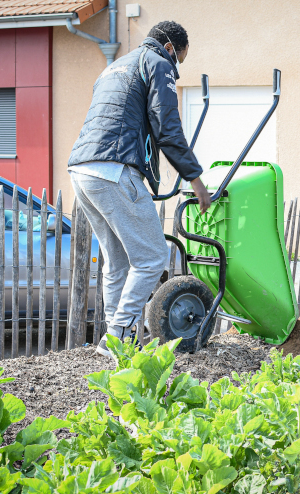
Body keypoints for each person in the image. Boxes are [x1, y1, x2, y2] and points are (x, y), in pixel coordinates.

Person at [67, 21, 212, 358]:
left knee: (117, 262)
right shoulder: (159, 63)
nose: (177, 68)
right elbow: (168, 128)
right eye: (180, 60)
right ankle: (117, 337)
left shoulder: (113, 67)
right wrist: (196, 179)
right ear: (171, 47)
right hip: (114, 168)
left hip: (82, 168)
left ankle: (119, 339)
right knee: (152, 258)